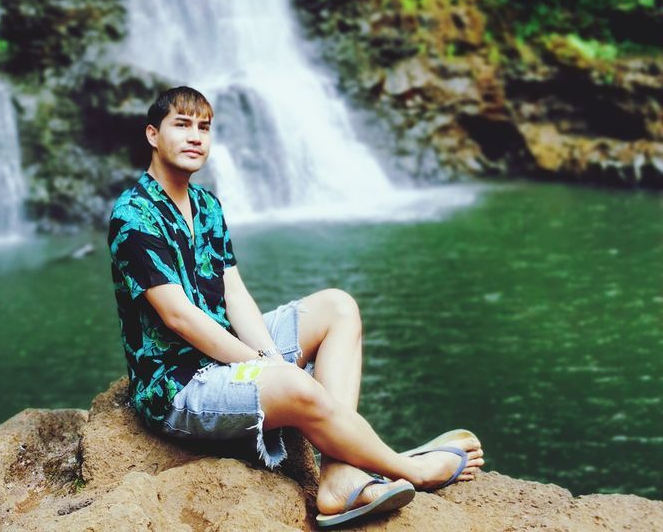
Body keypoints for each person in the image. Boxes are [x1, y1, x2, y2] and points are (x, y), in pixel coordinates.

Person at [108, 86, 484, 529]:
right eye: (182, 125)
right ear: (153, 134)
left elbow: (234, 291)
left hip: (226, 358)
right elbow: (178, 316)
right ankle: (408, 467)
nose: (196, 137)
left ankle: (340, 475)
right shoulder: (133, 214)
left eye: (204, 128)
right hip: (181, 385)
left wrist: (267, 355)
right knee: (295, 386)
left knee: (338, 308)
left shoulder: (207, 205)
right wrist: (261, 365)